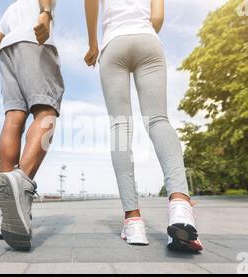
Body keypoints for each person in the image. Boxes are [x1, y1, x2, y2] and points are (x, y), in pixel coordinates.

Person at [84, 0, 203, 252]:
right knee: (158, 120)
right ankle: (181, 206)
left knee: (120, 126)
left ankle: (133, 220)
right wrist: (141, 30)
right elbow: (157, 17)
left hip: (113, 43)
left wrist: (93, 43)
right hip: (148, 41)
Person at [0, 0, 64, 250]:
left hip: (6, 51)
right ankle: (21, 185)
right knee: (46, 112)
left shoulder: (11, 9)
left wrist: (7, 54)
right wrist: (45, 14)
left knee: (13, 117)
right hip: (35, 42)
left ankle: (4, 216)